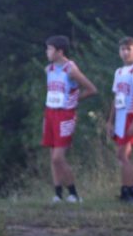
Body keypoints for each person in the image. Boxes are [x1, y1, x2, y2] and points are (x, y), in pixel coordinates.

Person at [42, 35, 98, 203]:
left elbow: (91, 89)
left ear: (60, 52)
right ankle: (58, 193)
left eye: (50, 49)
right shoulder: (49, 69)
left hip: (65, 115)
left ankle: (74, 193)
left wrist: (75, 99)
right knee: (52, 154)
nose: (47, 52)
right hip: (51, 112)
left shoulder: (70, 69)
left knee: (58, 157)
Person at [107, 36, 133, 202]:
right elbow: (116, 96)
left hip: (130, 115)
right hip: (120, 116)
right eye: (122, 49)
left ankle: (132, 192)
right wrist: (110, 121)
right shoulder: (119, 72)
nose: (125, 53)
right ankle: (125, 190)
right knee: (120, 155)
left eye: (128, 49)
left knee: (124, 155)